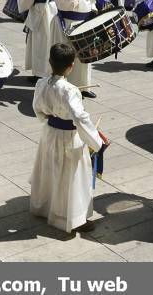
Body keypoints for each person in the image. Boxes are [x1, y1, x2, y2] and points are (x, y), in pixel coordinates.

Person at [30, 43, 107, 233]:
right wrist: (96, 140)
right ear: (72, 65)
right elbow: (80, 117)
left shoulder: (41, 83)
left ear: (50, 62)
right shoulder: (70, 90)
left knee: (50, 169)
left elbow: (37, 107)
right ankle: (73, 218)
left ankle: (46, 207)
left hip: (49, 133)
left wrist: (47, 116)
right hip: (68, 137)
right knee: (70, 176)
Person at [50, 0, 98, 98]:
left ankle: (83, 86)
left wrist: (94, 6)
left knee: (84, 57)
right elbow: (62, 1)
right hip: (67, 23)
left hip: (83, 22)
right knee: (67, 57)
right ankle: (67, 89)